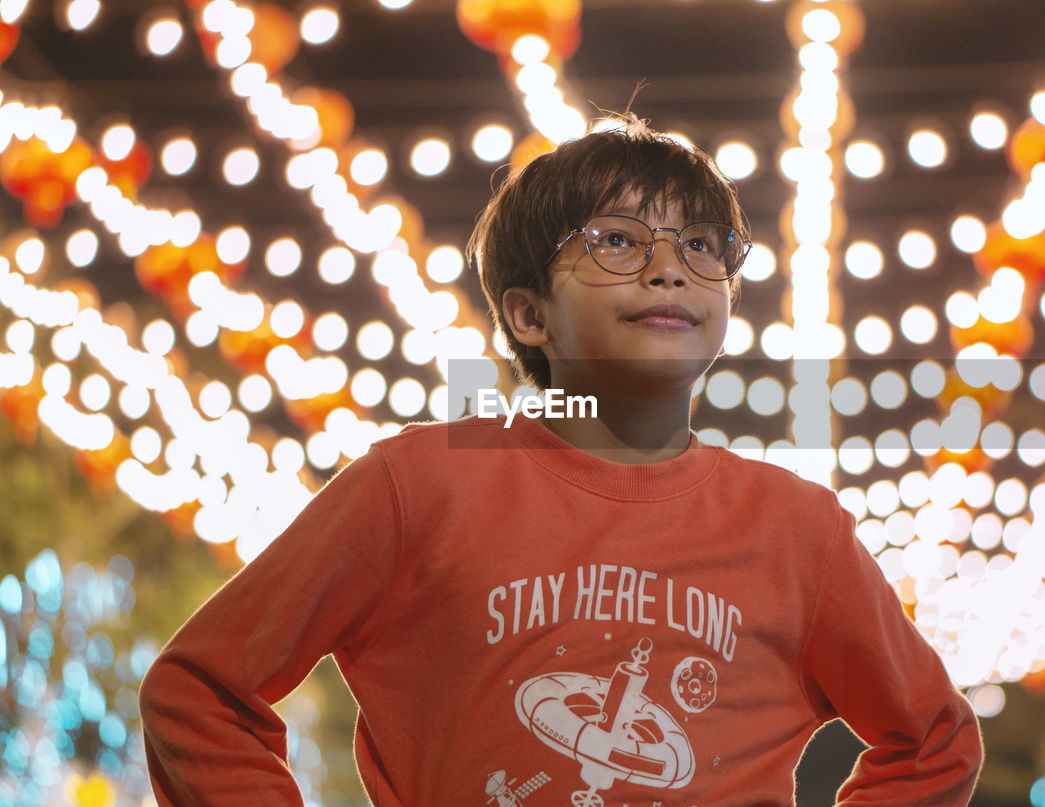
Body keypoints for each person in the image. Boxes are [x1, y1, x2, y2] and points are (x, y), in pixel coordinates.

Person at [139, 116, 983, 806]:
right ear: (529, 315)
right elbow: (200, 692)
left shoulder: (799, 528)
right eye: (618, 242)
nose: (669, 269)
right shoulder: (417, 485)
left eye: (701, 246)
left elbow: (933, 741)